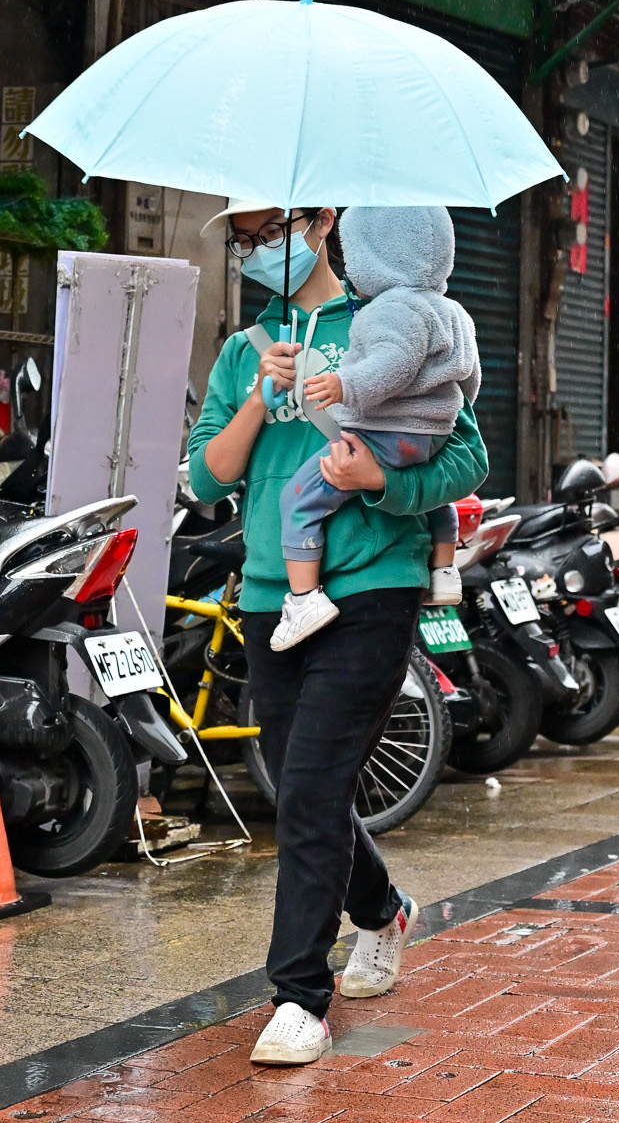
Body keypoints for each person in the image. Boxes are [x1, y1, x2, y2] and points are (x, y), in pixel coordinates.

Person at [187, 203, 486, 1067]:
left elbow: (465, 457)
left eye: (267, 231)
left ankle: (297, 997)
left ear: (321, 223)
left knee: (313, 788)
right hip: (273, 594)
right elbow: (207, 475)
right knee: (299, 788)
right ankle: (383, 910)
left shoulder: (393, 319)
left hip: (373, 586)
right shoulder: (246, 348)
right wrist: (258, 396)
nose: (256, 249)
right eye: (242, 239)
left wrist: (377, 483)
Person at [272, 205, 480, 653]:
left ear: (376, 256)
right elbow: (470, 379)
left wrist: (345, 384)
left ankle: (304, 600)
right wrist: (442, 413)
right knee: (437, 499)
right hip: (431, 434)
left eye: (355, 253)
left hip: (384, 432)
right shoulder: (452, 311)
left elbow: (393, 364)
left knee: (298, 499)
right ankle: (445, 571)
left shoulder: (391, 309)